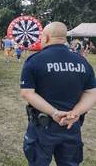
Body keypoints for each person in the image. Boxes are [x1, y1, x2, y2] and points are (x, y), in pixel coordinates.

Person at [20, 22, 96, 166]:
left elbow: (26, 93)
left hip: (42, 128)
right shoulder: (82, 62)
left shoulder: (34, 61)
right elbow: (92, 93)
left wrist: (55, 113)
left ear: (47, 37)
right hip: (72, 126)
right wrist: (75, 113)